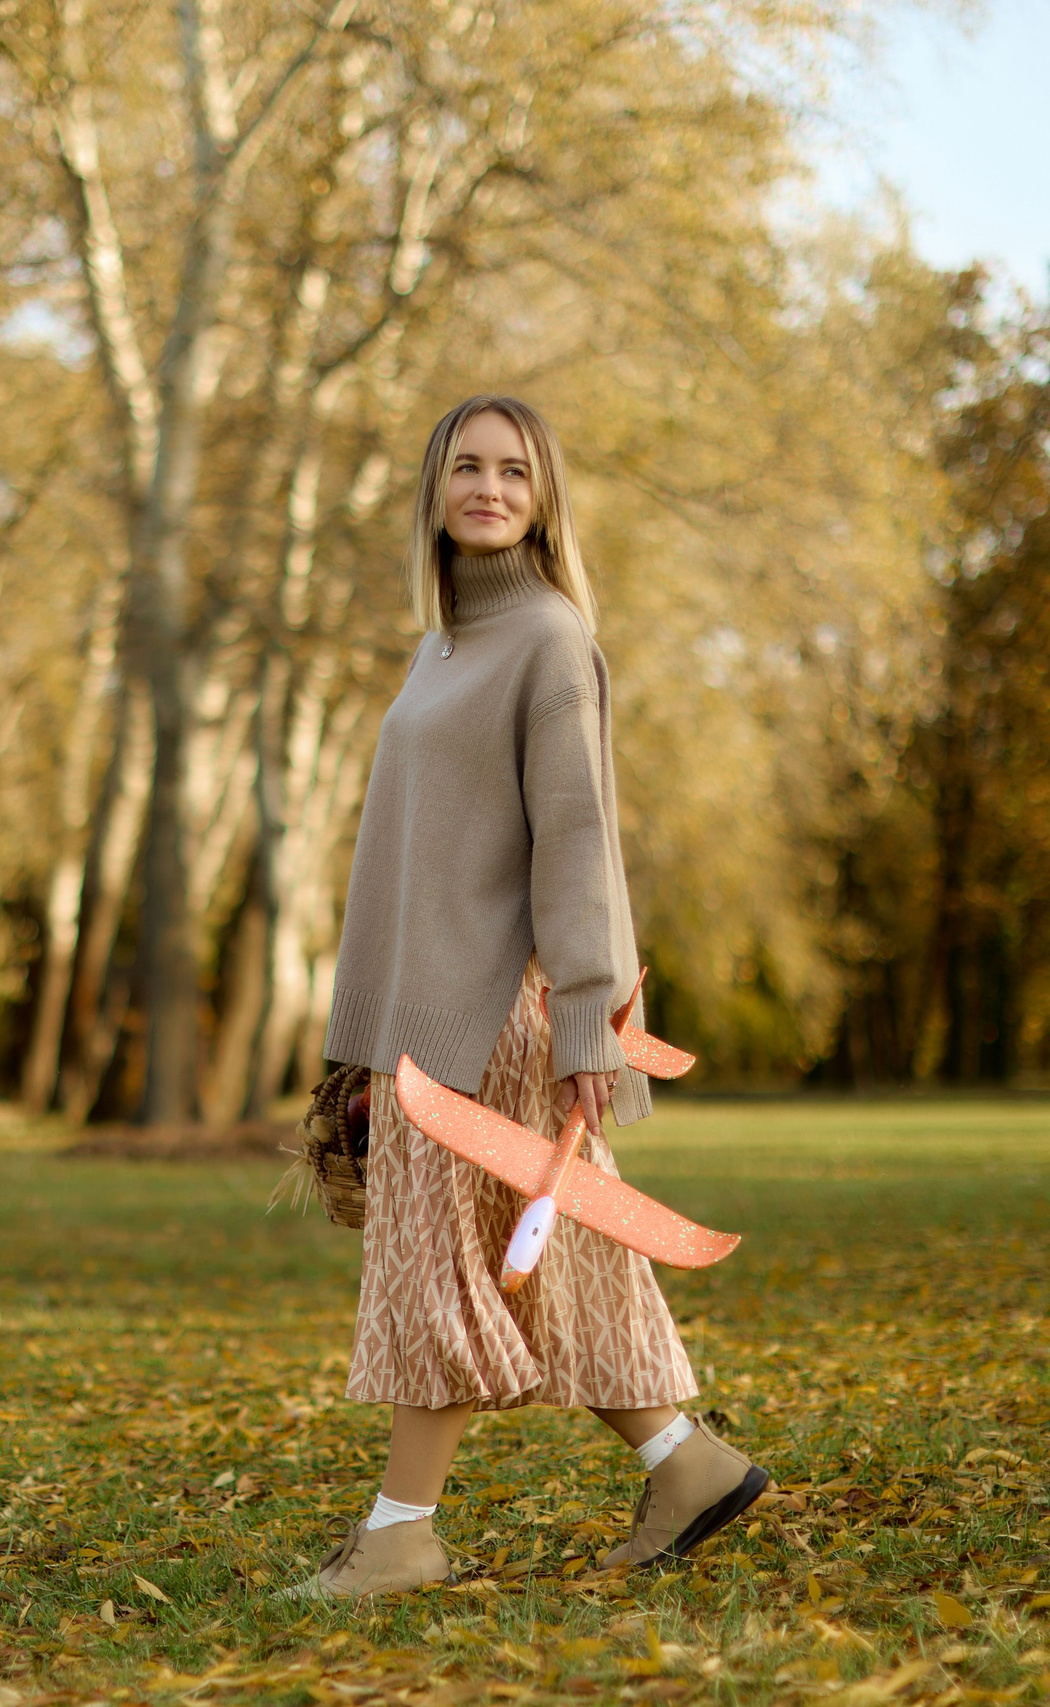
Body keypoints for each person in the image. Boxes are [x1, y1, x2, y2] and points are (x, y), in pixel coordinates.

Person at [289, 396, 770, 1600]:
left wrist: (582, 1027)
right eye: (467, 466)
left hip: (486, 1020)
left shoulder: (550, 640)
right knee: (556, 1268)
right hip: (428, 1010)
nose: (489, 487)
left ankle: (401, 1536)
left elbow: (576, 838)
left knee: (429, 1267)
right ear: (434, 490)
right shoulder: (445, 643)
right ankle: (686, 1462)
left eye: (515, 470)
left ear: (545, 496)